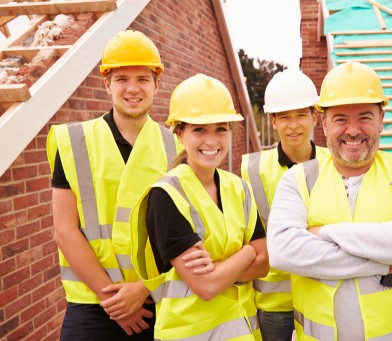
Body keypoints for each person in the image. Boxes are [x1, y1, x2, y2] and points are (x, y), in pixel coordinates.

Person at [267, 61, 392, 341]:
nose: (352, 130)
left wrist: (324, 233)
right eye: (340, 119)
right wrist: (385, 261)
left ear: (381, 119)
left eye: (364, 117)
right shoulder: (298, 179)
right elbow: (282, 251)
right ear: (323, 122)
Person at [46, 30, 181, 340]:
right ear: (106, 83)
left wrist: (143, 288)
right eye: (122, 79)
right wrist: (114, 301)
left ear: (157, 83)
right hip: (93, 302)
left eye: (142, 79)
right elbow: (64, 230)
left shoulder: (175, 147)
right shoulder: (73, 142)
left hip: (157, 297)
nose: (132, 89)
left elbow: (186, 230)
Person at [130, 73, 270, 340]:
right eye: (199, 129)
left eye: (221, 129)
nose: (211, 141)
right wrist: (248, 251)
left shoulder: (239, 188)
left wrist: (221, 267)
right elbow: (206, 286)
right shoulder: (166, 196)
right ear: (180, 133)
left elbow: (264, 264)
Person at [240, 69, 329, 341]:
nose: (294, 125)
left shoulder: (333, 165)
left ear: (315, 116)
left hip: (321, 293)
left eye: (301, 115)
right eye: (284, 117)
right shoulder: (252, 170)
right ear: (273, 121)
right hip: (273, 305)